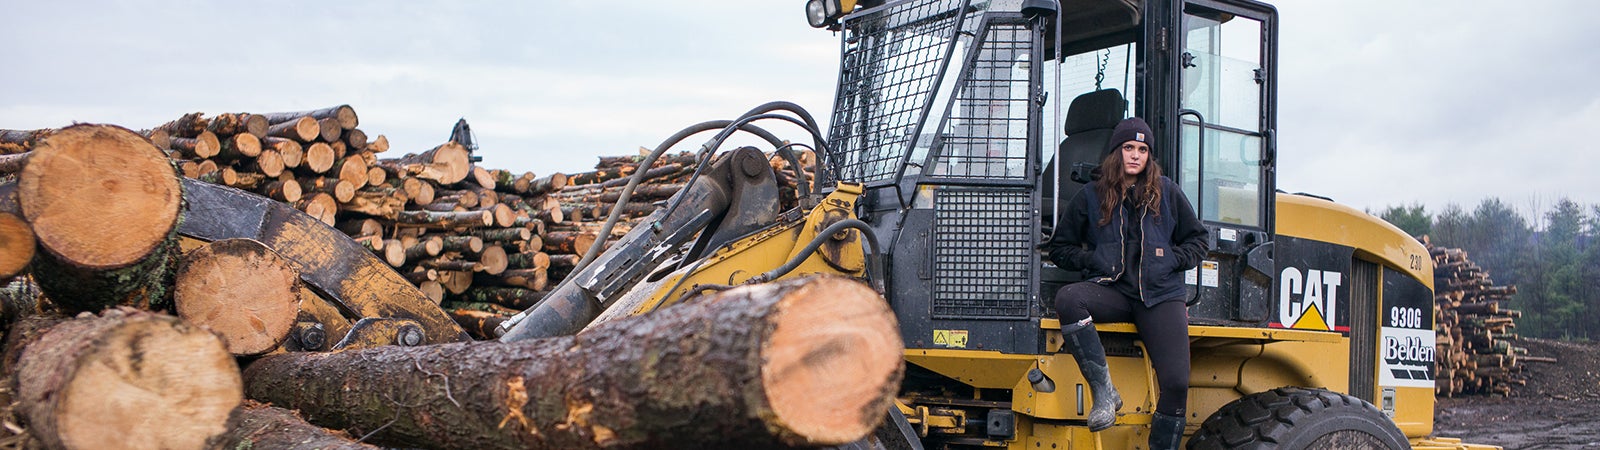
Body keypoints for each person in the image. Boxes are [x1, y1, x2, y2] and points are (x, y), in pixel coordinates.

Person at [1042, 117, 1208, 450]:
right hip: (1113, 290)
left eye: (1143, 149)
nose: (1135, 155)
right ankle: (1104, 394)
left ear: (1149, 156)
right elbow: (1059, 247)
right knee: (1069, 298)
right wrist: (1092, 261)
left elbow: (1198, 240)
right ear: (1116, 153)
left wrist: (1171, 261)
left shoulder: (1168, 192)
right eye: (1129, 148)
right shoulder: (1091, 195)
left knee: (1176, 383)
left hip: (1160, 296)